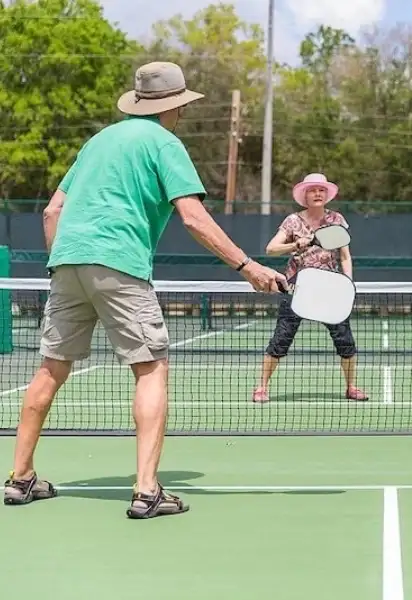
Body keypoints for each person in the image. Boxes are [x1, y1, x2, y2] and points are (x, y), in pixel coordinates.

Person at [3, 62, 286, 518]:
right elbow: (192, 217)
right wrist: (246, 265)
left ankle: (20, 478)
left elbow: (52, 212)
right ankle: (147, 490)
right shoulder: (165, 143)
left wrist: (61, 264)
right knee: (151, 369)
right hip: (119, 263)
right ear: (174, 107)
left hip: (66, 263)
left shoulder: (97, 142)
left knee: (51, 370)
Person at [252, 173, 369, 403]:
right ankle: (261, 387)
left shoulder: (336, 220)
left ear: (326, 195)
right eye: (313, 190)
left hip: (330, 287)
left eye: (321, 190)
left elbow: (345, 257)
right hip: (297, 286)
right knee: (282, 337)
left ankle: (351, 387)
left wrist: (348, 284)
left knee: (344, 339)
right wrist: (295, 244)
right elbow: (271, 249)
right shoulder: (293, 221)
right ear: (304, 195)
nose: (317, 193)